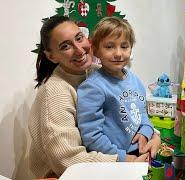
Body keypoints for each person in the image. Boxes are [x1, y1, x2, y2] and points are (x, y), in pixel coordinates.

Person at [28, 15, 161, 178]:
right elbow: (67, 160)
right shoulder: (55, 92)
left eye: (79, 38)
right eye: (65, 46)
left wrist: (153, 135)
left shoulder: (96, 71)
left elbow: (132, 113)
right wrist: (126, 161)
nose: (79, 49)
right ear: (51, 56)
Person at [76, 17, 154, 163]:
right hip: (114, 160)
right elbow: (92, 136)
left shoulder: (135, 80)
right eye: (110, 47)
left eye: (124, 46)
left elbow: (142, 113)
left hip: (139, 152)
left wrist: (146, 131)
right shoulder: (92, 87)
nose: (118, 53)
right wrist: (124, 158)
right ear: (96, 50)